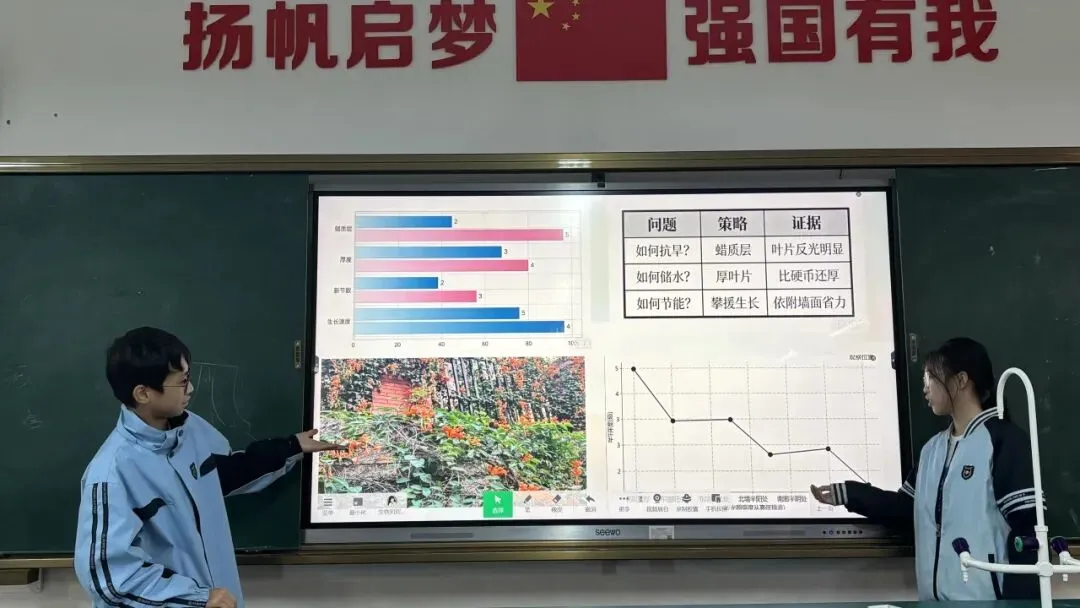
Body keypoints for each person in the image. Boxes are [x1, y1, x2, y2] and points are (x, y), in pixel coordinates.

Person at [73, 327, 343, 608]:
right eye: (182, 382)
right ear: (143, 393)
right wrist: (196, 597)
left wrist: (291, 446)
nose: (190, 388)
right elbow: (109, 577)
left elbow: (226, 472)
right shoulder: (112, 474)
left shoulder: (190, 429)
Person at [811, 337, 1039, 601]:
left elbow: (1027, 531)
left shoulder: (1003, 441)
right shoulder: (933, 450)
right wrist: (851, 494)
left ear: (961, 380)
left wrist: (1020, 604)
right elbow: (904, 509)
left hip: (987, 601)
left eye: (930, 377)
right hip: (932, 602)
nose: (925, 388)